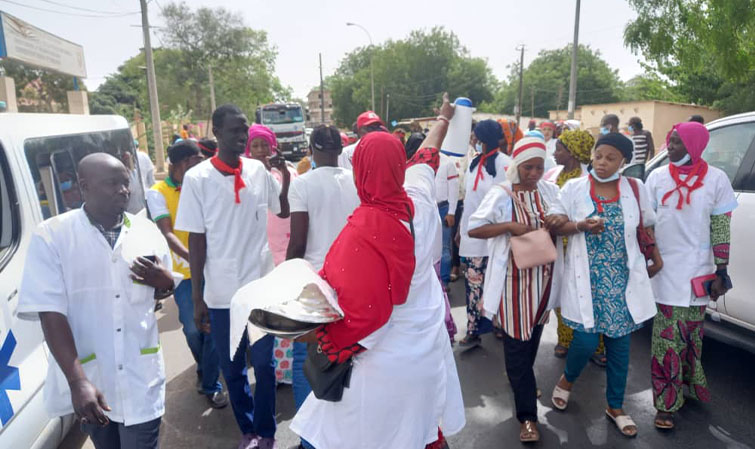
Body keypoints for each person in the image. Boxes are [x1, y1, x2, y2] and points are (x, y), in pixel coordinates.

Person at [290, 94, 465, 448]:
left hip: (380, 364)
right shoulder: (418, 195)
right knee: (419, 429)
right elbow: (428, 155)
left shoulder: (362, 231)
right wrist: (444, 119)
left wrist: (306, 333)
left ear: (360, 172)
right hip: (426, 349)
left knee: (333, 434)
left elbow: (359, 316)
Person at [18, 153, 175, 449]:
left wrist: (164, 282)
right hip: (92, 376)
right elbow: (51, 313)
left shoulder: (146, 231)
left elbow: (164, 288)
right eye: (112, 183)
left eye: (125, 183)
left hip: (141, 373)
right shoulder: (53, 236)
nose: (123, 190)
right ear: (84, 186)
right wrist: (78, 382)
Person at [175, 104, 290, 449]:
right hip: (222, 293)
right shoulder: (197, 179)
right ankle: (249, 430)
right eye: (235, 130)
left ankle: (267, 432)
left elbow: (280, 209)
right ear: (216, 133)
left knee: (266, 367)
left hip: (260, 287)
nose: (242, 136)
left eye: (245, 129)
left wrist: (280, 181)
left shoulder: (257, 170)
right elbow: (196, 239)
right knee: (233, 368)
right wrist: (198, 297)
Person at [549, 132, 662, 438]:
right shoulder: (574, 188)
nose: (602, 163)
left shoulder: (635, 188)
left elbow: (646, 225)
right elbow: (554, 221)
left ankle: (615, 406)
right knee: (584, 341)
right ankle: (567, 380)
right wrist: (579, 226)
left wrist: (655, 257)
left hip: (622, 280)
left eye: (611, 158)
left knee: (619, 346)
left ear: (624, 161)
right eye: (599, 156)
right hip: (585, 276)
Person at [468, 137, 562, 442]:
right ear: (516, 167)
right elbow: (475, 227)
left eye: (539, 167)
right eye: (529, 167)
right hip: (512, 284)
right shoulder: (501, 195)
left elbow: (561, 217)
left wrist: (560, 221)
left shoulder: (549, 190)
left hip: (544, 282)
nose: (535, 173)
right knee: (518, 348)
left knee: (532, 341)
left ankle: (522, 378)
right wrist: (508, 226)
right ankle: (527, 418)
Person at [645, 122, 736, 430]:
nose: (669, 147)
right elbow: (646, 224)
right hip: (665, 271)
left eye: (676, 143)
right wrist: (647, 259)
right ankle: (666, 405)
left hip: (699, 272)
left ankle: (690, 384)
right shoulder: (656, 177)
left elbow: (721, 228)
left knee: (691, 335)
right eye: (669, 142)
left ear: (695, 146)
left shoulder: (716, 180)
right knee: (666, 340)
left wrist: (722, 271)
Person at [285, 124, 360, 449]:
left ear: (312, 149)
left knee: (308, 358)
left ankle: (311, 440)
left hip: (315, 283)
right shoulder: (356, 182)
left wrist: (287, 279)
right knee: (348, 357)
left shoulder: (301, 184)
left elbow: (298, 241)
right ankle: (344, 434)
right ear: (340, 150)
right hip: (354, 281)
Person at [146, 141, 228, 408]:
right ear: (178, 165)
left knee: (214, 327)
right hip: (183, 274)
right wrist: (194, 259)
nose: (199, 168)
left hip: (214, 268)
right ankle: (205, 369)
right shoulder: (157, 192)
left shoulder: (206, 183)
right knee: (193, 329)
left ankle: (210, 384)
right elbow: (167, 232)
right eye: (194, 163)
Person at [543, 130, 608, 365]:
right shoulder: (554, 175)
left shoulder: (590, 179)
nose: (555, 152)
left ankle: (596, 345)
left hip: (584, 245)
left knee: (589, 295)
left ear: (571, 152)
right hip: (559, 243)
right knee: (562, 291)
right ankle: (565, 339)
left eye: (559, 148)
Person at [457, 119, 511, 347]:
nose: (473, 141)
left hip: (496, 237)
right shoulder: (474, 163)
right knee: (473, 286)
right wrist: (461, 230)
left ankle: (498, 324)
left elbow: (507, 202)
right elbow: (469, 201)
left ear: (482, 139)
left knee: (498, 284)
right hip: (472, 238)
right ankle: (473, 329)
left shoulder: (506, 164)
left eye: (475, 137)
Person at [245, 123, 298, 267]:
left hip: (288, 237)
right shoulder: (245, 176)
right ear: (248, 150)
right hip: (261, 242)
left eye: (264, 145)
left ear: (273, 147)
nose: (260, 150)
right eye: (255, 146)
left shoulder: (289, 172)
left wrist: (284, 174)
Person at [436, 150, 459, 288]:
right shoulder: (421, 159)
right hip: (427, 208)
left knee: (444, 247)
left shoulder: (447, 162)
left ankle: (443, 282)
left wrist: (451, 212)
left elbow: (454, 189)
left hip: (443, 208)